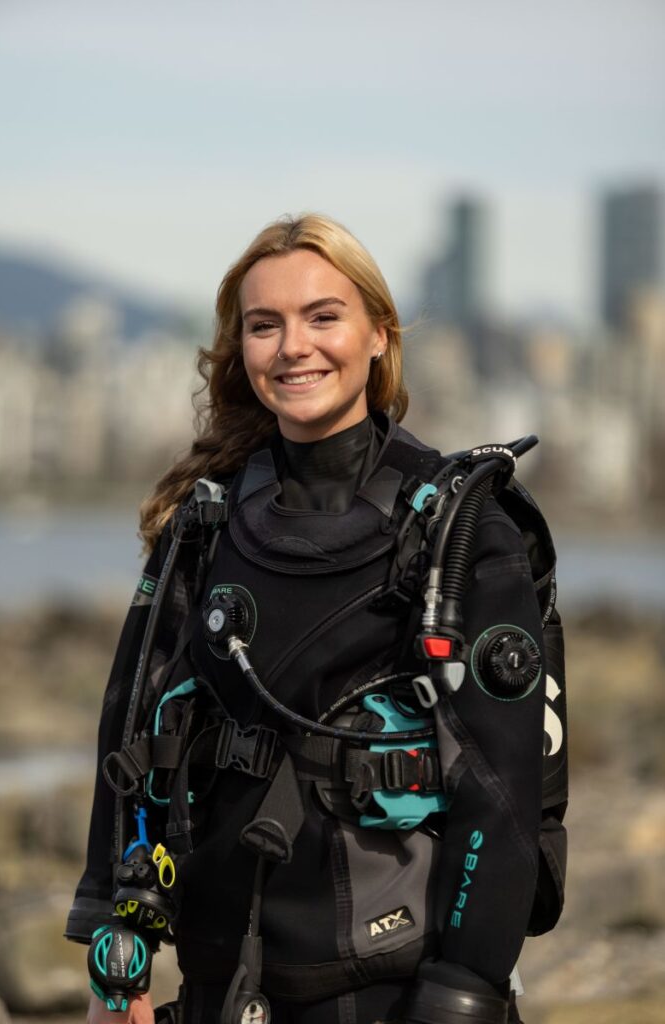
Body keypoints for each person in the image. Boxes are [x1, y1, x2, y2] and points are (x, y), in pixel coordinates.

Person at [66, 214, 567, 1024]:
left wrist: (464, 991)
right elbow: (132, 743)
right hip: (218, 986)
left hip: (391, 993)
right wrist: (115, 965)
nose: (293, 346)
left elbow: (500, 797)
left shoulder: (457, 532)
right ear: (243, 351)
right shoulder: (205, 524)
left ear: (378, 334)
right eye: (265, 326)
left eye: (322, 317)